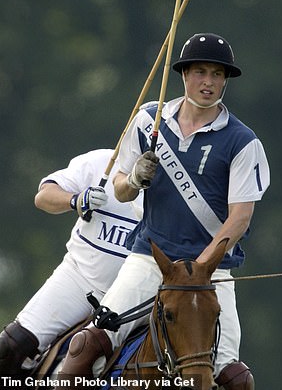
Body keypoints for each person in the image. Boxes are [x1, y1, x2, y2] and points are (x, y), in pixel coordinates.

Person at [57, 33, 270, 389]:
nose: (208, 82)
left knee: (235, 378)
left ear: (225, 80)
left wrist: (199, 269)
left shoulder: (242, 141)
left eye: (217, 74)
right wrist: (136, 178)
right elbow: (122, 191)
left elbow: (241, 217)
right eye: (200, 71)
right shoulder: (148, 121)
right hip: (149, 260)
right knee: (86, 347)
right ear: (184, 74)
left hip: (211, 275)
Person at [0, 148, 143, 387]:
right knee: (14, 345)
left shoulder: (182, 185)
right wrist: (76, 200)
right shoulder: (102, 161)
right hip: (79, 279)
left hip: (138, 298)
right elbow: (44, 196)